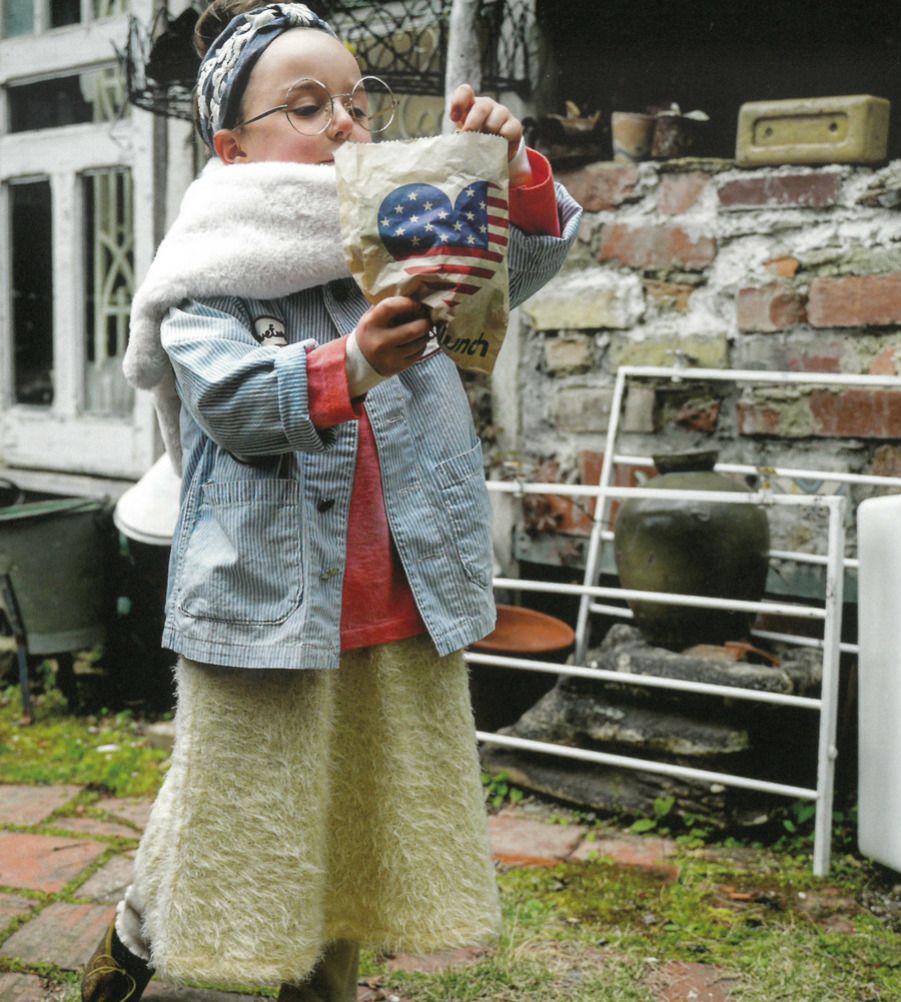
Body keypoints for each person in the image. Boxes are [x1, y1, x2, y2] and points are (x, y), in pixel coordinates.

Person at [80, 2, 581, 1001]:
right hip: (267, 598)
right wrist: (349, 363)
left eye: (357, 101)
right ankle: (150, 942)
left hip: (395, 588)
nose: (345, 122)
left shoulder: (403, 224)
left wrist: (510, 174)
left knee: (346, 811)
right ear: (232, 146)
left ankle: (314, 985)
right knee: (244, 803)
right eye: (307, 107)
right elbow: (228, 400)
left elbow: (510, 270)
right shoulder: (209, 269)